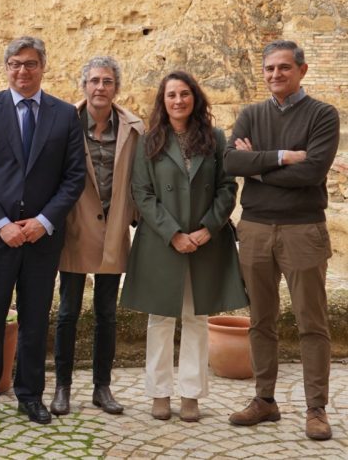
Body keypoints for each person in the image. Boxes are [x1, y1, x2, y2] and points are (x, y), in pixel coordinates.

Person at [0, 36, 85, 425]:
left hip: (41, 238)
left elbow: (74, 177)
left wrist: (43, 222)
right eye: (15, 64)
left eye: (30, 64)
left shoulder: (65, 114)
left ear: (43, 67)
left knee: (35, 318)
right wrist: (1, 225)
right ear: (6, 68)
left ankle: (30, 394)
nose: (22, 71)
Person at [224, 40, 340, 441]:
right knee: (260, 321)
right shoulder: (251, 114)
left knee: (312, 322)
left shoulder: (323, 114)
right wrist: (281, 157)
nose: (276, 75)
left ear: (302, 71)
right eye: (270, 68)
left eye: (284, 68)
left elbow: (311, 173)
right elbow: (230, 161)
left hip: (303, 230)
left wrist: (256, 166)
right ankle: (264, 401)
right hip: (254, 229)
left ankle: (316, 409)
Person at [119, 71, 247, 423]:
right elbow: (141, 193)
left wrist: (207, 229)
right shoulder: (149, 141)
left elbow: (226, 188)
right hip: (162, 242)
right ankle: (159, 392)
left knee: (197, 317)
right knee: (159, 318)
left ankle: (191, 394)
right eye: (171, 95)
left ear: (195, 98)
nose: (178, 100)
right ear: (163, 101)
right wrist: (173, 233)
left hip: (206, 241)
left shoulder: (215, 138)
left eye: (185, 94)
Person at [51, 56, 145, 416]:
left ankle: (102, 388)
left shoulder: (133, 128)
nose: (100, 88)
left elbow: (140, 178)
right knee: (68, 312)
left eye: (107, 81)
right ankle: (62, 388)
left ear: (116, 88)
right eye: (94, 81)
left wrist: (135, 218)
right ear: (84, 86)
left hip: (114, 229)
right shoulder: (65, 124)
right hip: (75, 228)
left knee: (106, 313)